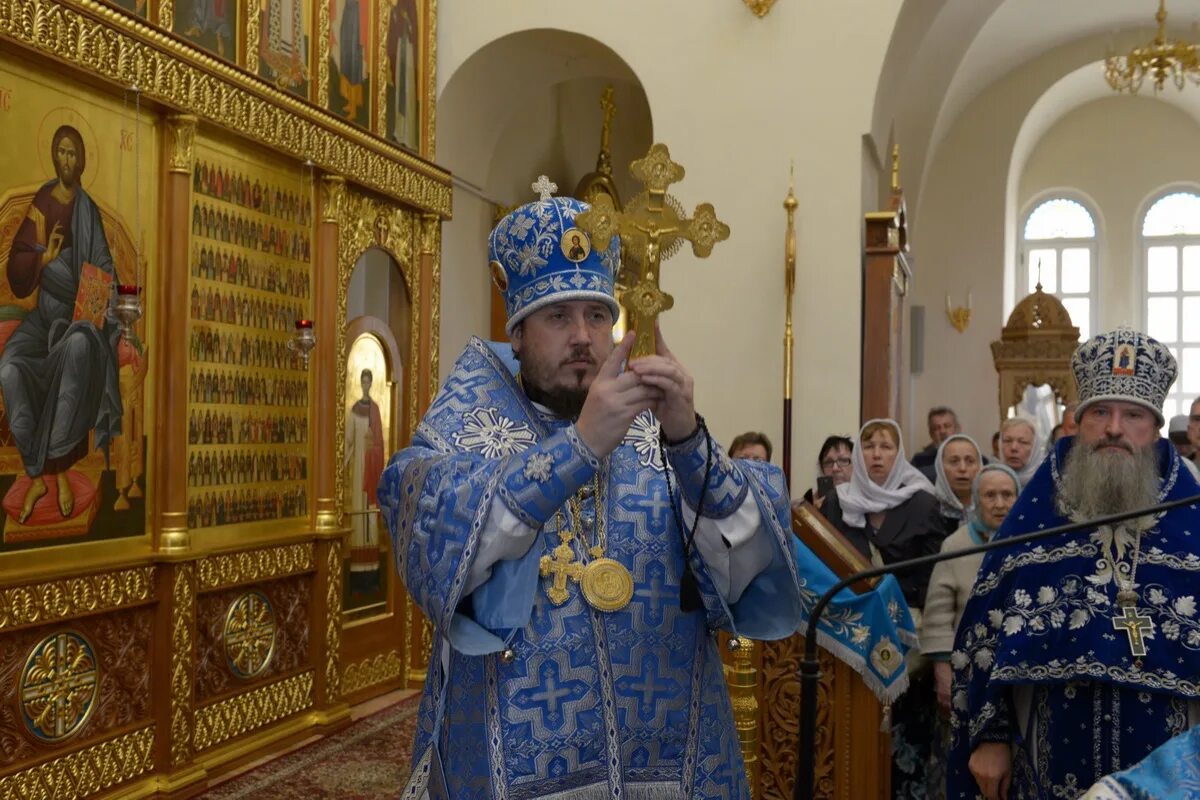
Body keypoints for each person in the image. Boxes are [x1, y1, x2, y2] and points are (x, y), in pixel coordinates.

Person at [378, 180, 914, 798]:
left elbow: (745, 570)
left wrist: (689, 440)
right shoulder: (463, 431)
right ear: (518, 332)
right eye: (558, 316)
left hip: (670, 761)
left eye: (598, 313)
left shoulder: (660, 432)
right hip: (518, 766)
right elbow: (437, 536)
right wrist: (577, 450)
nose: (583, 334)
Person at [947, 328, 1200, 800]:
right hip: (1046, 761)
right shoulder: (1038, 511)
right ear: (1079, 422)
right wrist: (990, 736)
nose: (1114, 428)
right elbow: (985, 631)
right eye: (1100, 411)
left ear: (1157, 426)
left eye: (1133, 415)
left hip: (1168, 769)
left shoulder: (1193, 515)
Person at [2, 125, 124, 524]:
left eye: (73, 154)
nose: (67, 161)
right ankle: (40, 475)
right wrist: (44, 259)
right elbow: (18, 263)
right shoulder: (42, 202)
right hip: (44, 316)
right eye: (61, 153)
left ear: (82, 160)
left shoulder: (87, 209)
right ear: (54, 157)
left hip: (79, 320)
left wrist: (96, 300)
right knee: (10, 367)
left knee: (76, 351)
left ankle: (55, 473)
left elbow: (105, 266)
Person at [825, 419, 943, 799]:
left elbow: (932, 579)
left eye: (886, 446)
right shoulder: (836, 503)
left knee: (902, 751)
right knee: (848, 743)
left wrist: (887, 594)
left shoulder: (923, 502)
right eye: (869, 445)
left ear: (899, 453)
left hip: (907, 642)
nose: (877, 453)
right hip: (848, 640)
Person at [922, 464, 1020, 800]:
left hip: (1013, 672)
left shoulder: (1030, 541)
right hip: (967, 675)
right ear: (975, 501)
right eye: (990, 495)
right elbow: (937, 612)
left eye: (1007, 494)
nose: (999, 503)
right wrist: (941, 667)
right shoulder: (957, 543)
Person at [344, 367, 386, 599]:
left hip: (372, 473)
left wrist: (374, 447)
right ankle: (358, 582)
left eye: (370, 382)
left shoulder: (376, 411)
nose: (367, 385)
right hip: (358, 473)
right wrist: (342, 466)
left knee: (370, 522)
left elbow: (381, 443)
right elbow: (348, 443)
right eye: (364, 382)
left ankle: (372, 579)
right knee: (360, 527)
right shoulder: (354, 411)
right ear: (360, 384)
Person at [932, 434, 983, 535]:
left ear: (980, 467)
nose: (962, 468)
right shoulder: (928, 512)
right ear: (940, 468)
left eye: (970, 461)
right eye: (954, 461)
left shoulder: (991, 508)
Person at [801, 434, 853, 512]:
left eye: (843, 460)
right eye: (828, 462)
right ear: (822, 468)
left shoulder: (866, 499)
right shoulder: (810, 499)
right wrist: (813, 514)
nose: (835, 468)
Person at [912, 406, 962, 471]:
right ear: (931, 434)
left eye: (947, 426)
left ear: (957, 429)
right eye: (936, 428)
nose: (942, 431)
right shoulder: (919, 460)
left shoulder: (972, 458)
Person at [998, 416, 1042, 487]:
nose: (1013, 448)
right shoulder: (989, 481)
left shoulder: (1049, 481)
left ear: (1035, 449)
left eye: (1023, 442)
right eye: (1007, 441)